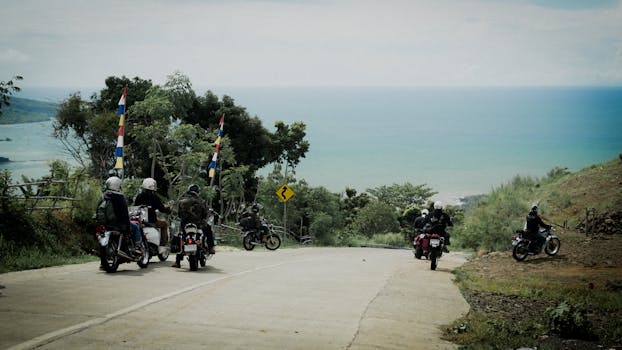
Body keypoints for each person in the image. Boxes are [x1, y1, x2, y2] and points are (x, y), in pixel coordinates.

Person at [172, 184, 216, 268]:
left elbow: (179, 214)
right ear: (197, 192)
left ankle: (177, 261)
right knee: (209, 229)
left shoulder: (182, 201)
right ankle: (210, 248)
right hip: (198, 225)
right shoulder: (201, 202)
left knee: (181, 236)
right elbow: (205, 214)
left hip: (185, 225)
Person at [100, 176, 142, 253]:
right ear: (118, 185)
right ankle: (137, 247)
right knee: (135, 227)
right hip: (118, 224)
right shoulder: (120, 197)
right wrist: (127, 227)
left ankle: (103, 263)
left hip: (105, 224)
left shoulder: (103, 196)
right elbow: (125, 213)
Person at [134, 178, 170, 246]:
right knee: (164, 224)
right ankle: (163, 243)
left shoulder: (139, 196)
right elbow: (161, 209)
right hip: (152, 221)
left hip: (140, 221)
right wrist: (167, 210)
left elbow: (135, 207)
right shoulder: (154, 197)